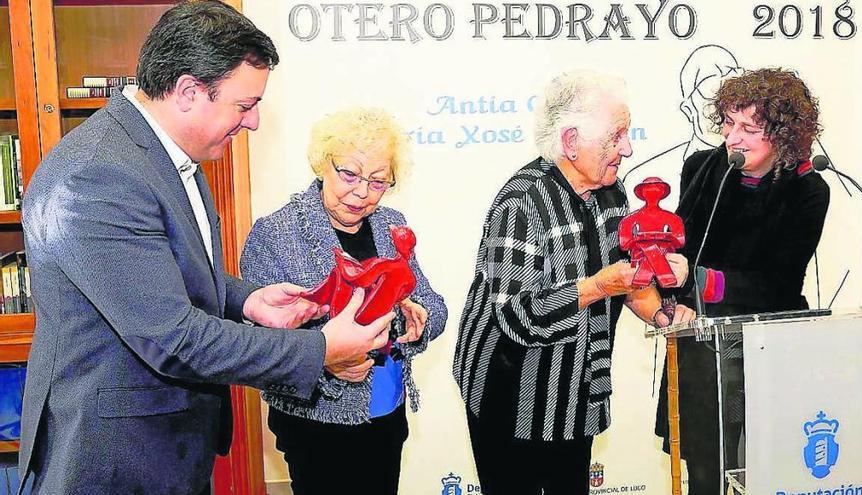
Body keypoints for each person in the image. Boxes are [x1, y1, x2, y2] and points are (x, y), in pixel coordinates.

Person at [18, 2, 394, 494]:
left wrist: (246, 300)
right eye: (244, 105)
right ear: (190, 91)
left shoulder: (163, 156)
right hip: (115, 458)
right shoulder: (101, 174)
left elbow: (163, 272)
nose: (254, 122)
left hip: (165, 445)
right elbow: (172, 337)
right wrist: (320, 349)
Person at [452, 70, 695, 495]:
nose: (628, 148)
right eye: (616, 136)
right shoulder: (521, 203)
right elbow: (517, 316)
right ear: (570, 142)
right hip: (509, 395)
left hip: (575, 395)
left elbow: (628, 274)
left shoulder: (611, 191)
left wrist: (659, 310)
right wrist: (598, 286)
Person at [239, 107, 447, 495]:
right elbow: (257, 348)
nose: (361, 192)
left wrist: (414, 319)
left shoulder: (391, 224)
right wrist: (326, 360)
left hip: (386, 412)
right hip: (315, 423)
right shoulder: (275, 233)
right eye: (349, 174)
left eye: (378, 181)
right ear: (323, 164)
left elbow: (432, 304)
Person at [655, 68, 830, 494]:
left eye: (749, 128)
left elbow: (779, 286)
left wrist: (701, 279)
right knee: (704, 471)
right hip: (701, 344)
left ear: (785, 134)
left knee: (770, 468)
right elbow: (681, 243)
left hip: (765, 351)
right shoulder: (703, 168)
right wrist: (666, 281)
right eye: (729, 123)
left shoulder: (808, 191)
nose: (733, 138)